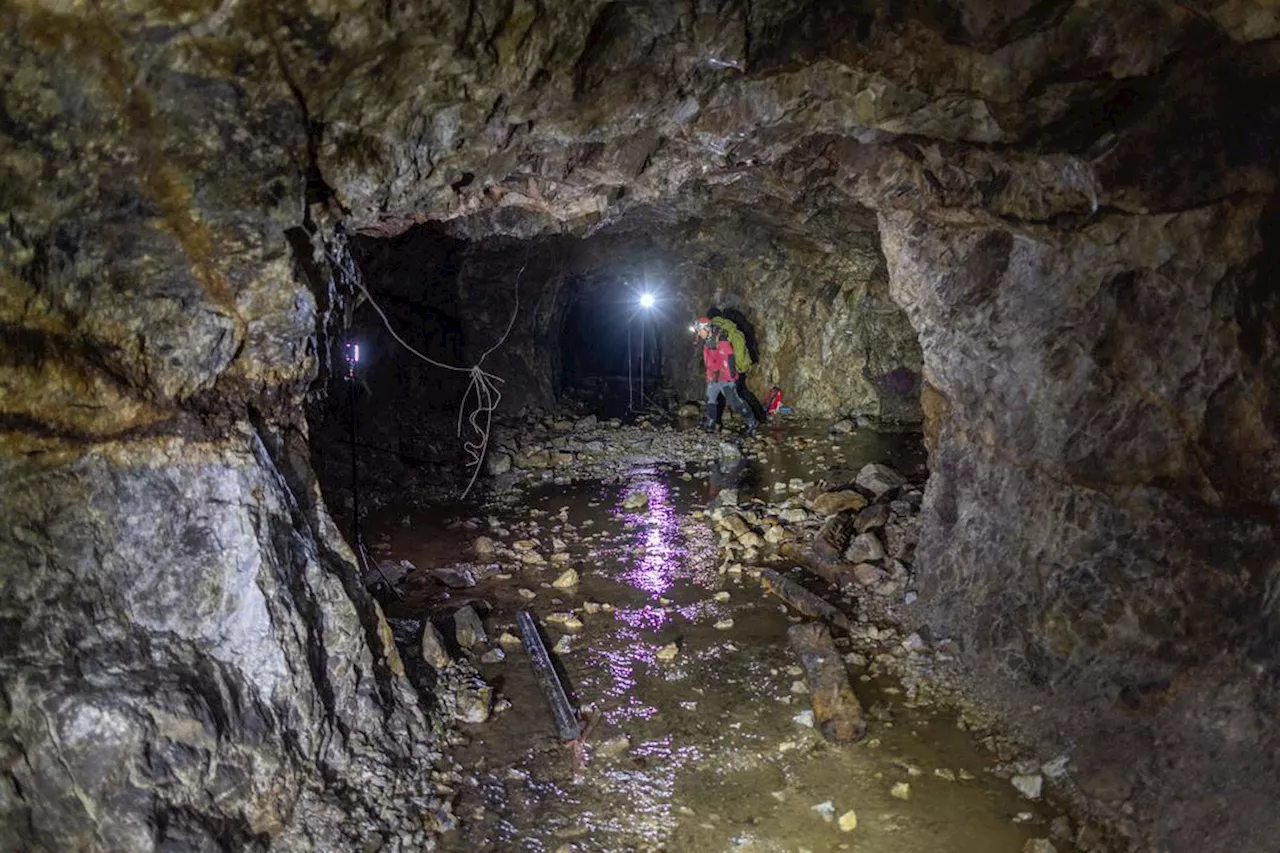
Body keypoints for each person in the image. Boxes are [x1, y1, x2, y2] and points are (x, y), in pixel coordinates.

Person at [694, 316, 758, 436]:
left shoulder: (722, 340)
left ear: (706, 328)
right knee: (710, 399)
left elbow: (728, 361)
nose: (698, 333)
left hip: (726, 378)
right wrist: (710, 377)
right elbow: (709, 362)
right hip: (714, 377)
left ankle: (751, 422)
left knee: (735, 402)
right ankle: (711, 423)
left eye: (699, 330)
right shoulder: (708, 342)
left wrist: (729, 380)